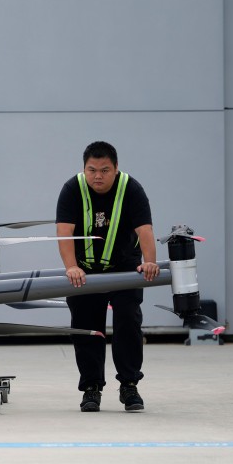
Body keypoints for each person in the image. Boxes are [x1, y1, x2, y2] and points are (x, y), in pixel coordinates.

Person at [55, 141, 160, 413]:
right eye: (92, 170)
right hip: (84, 269)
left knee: (128, 321)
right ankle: (91, 388)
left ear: (115, 169)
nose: (97, 176)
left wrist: (150, 262)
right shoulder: (71, 189)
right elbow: (64, 232)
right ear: (84, 168)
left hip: (125, 265)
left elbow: (145, 229)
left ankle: (129, 386)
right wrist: (71, 267)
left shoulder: (131, 189)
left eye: (104, 170)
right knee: (87, 326)